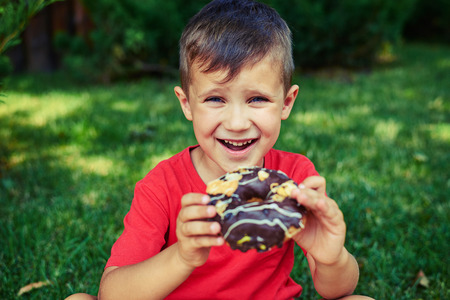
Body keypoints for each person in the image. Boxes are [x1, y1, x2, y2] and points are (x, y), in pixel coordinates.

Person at [66, 0, 373, 299]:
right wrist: (182, 257)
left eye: (257, 99)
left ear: (287, 102)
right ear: (187, 104)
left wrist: (331, 256)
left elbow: (338, 290)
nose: (237, 123)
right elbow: (111, 294)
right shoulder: (162, 186)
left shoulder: (295, 179)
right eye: (215, 99)